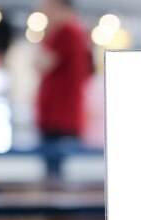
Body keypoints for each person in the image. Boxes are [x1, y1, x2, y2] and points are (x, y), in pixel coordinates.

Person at [34, 0, 91, 176]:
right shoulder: (74, 31)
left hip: (59, 117)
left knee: (55, 178)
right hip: (59, 116)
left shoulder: (66, 31)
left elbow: (41, 64)